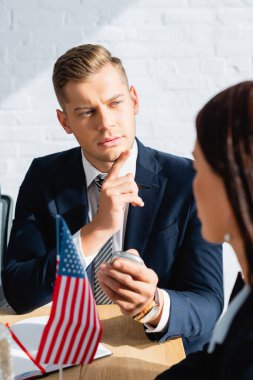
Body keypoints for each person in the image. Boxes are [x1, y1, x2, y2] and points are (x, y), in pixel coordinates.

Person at [3, 44, 223, 355]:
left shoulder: (188, 180)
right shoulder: (44, 176)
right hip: (66, 351)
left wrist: (153, 305)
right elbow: (19, 292)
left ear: (134, 100)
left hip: (160, 354)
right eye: (87, 111)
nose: (105, 123)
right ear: (65, 122)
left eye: (115, 103)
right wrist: (98, 230)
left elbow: (208, 302)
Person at [156, 81, 253, 379]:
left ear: (233, 181)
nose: (191, 184)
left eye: (199, 169)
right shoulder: (247, 279)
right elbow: (214, 359)